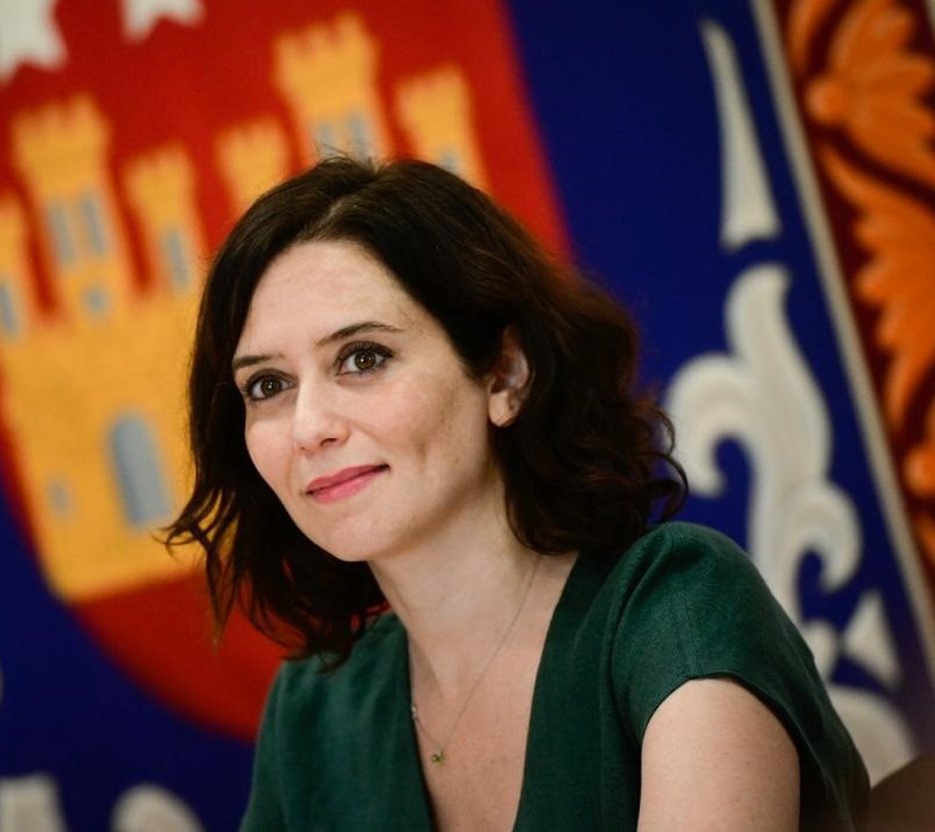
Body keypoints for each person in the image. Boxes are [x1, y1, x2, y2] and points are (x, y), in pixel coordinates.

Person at [167, 156, 868, 830]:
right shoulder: (312, 715)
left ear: (505, 375)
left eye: (363, 358)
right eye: (268, 385)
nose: (308, 427)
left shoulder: (676, 607)